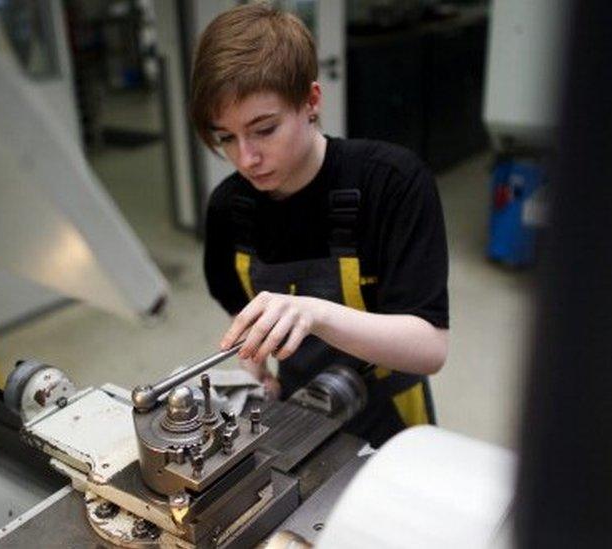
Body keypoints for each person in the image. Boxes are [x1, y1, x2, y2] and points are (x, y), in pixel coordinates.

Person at [192, 3, 449, 446]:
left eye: (264, 129)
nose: (245, 158)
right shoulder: (228, 207)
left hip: (389, 420)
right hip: (295, 408)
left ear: (311, 101)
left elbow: (430, 349)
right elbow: (242, 308)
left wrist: (316, 313)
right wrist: (255, 366)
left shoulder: (392, 184)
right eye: (226, 137)